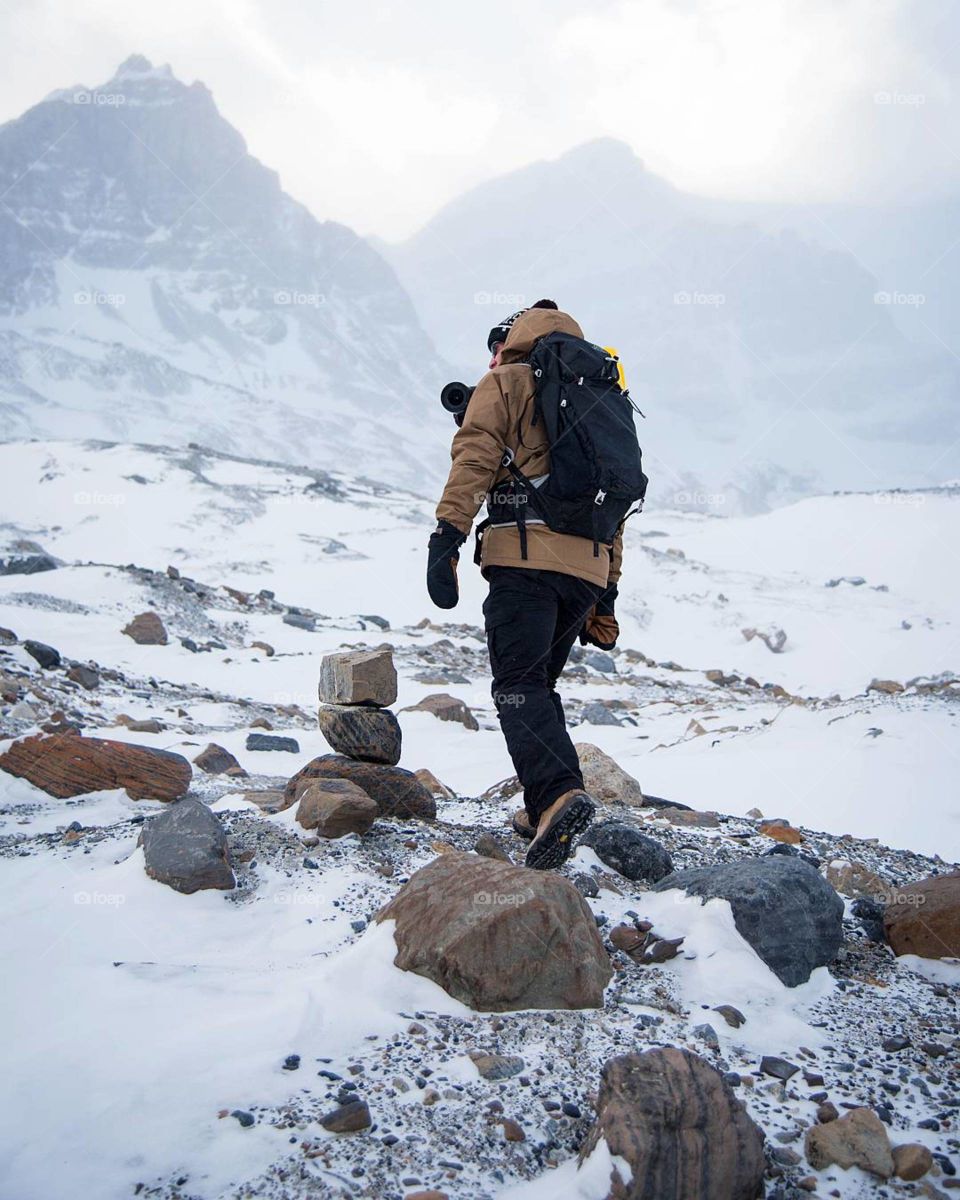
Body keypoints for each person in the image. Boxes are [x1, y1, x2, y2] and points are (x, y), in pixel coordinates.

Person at [426, 300, 623, 870]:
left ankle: (559, 795)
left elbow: (474, 459)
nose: (492, 358)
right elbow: (615, 503)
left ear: (509, 343)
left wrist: (447, 538)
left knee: (517, 685)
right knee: (537, 686)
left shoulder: (508, 381)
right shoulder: (603, 396)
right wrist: (606, 592)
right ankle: (545, 807)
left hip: (525, 561)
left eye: (496, 347)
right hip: (586, 573)